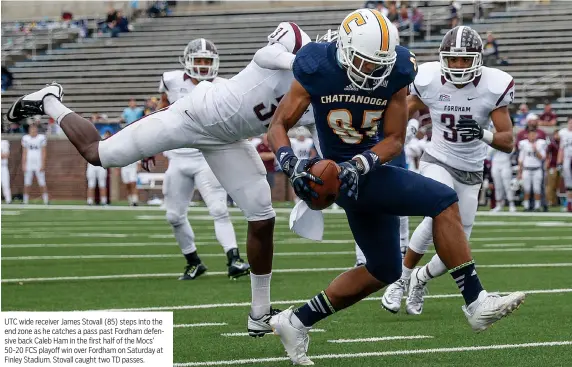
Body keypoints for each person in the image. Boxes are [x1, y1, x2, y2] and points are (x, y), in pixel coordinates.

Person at [6, 21, 315, 338]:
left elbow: (323, 138)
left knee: (262, 215)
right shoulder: (299, 45)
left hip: (229, 140)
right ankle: (49, 101)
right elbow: (265, 55)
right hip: (195, 114)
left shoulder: (327, 93)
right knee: (100, 154)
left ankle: (260, 314)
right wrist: (302, 62)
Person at [266, 13, 524, 364]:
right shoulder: (315, 65)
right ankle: (476, 301)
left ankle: (296, 320)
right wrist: (289, 162)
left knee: (383, 269)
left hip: (367, 168)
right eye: (365, 62)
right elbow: (279, 124)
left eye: (380, 64)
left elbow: (394, 139)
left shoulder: (398, 69)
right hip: (343, 175)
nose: (372, 71)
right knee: (443, 199)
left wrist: (360, 164)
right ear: (344, 49)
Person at [380, 25, 518, 316]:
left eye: (464, 59)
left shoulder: (493, 85)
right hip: (438, 157)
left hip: (471, 168)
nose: (457, 65)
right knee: (438, 211)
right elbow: (404, 107)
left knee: (458, 244)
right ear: (443, 58)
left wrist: (483, 133)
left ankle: (421, 278)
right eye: (452, 59)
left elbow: (507, 141)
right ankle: (400, 280)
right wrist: (409, 125)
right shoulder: (429, 78)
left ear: (477, 59)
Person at [157, 38, 249, 280]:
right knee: (173, 216)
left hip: (206, 156)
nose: (203, 66)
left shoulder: (224, 86)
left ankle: (234, 259)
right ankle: (194, 262)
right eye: (198, 60)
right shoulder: (172, 81)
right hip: (177, 157)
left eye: (207, 61)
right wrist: (148, 147)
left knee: (219, 208)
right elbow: (160, 113)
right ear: (187, 61)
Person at [518, 130, 547, 211]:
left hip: (537, 169)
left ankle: (537, 206)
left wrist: (535, 150)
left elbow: (542, 158)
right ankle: (526, 206)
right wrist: (519, 172)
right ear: (528, 136)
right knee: (526, 188)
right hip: (526, 169)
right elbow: (520, 159)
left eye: (534, 135)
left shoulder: (540, 144)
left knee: (537, 189)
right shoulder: (524, 144)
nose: (532, 137)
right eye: (531, 135)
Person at [21, 124, 49, 205]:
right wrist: (23, 164)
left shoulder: (41, 138)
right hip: (29, 163)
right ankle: (25, 200)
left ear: (37, 130)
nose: (33, 131)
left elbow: (44, 152)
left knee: (42, 182)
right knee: (27, 183)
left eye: (34, 129)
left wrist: (43, 164)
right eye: (31, 129)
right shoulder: (25, 138)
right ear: (29, 130)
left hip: (38, 163)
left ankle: (46, 200)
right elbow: (24, 152)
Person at [489, 146, 516, 212]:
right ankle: (498, 205)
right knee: (498, 186)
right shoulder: (491, 139)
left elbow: (512, 150)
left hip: (505, 163)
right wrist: (496, 147)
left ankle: (511, 204)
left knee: (507, 185)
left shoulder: (506, 138)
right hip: (495, 163)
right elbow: (488, 154)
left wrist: (503, 147)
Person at [557, 117, 572, 212]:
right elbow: (561, 149)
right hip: (567, 160)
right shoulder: (563, 133)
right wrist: (559, 162)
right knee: (568, 184)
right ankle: (569, 204)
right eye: (570, 123)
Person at [545, 130, 560, 206]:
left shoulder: (562, 143)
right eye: (556, 134)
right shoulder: (551, 143)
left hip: (560, 166)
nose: (558, 136)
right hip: (552, 166)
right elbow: (547, 153)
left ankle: (554, 201)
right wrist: (547, 162)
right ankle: (549, 201)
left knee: (556, 185)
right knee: (550, 184)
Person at [1, 139, 12, 204]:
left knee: (6, 184)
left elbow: (6, 155)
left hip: (3, 166)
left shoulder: (4, 142)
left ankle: (8, 200)